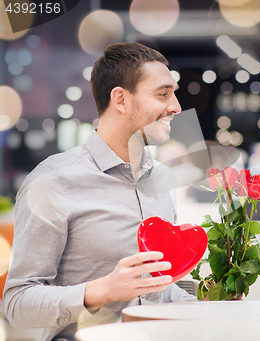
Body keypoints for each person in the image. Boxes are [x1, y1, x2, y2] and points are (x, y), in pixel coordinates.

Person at [3, 43, 197, 341]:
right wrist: (102, 290)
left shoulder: (161, 177)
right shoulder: (54, 181)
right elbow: (17, 304)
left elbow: (156, 288)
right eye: (163, 94)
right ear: (120, 99)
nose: (176, 107)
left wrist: (209, 305)